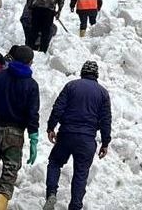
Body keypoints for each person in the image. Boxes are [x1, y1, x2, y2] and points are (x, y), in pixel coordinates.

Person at [44, 61, 112, 210]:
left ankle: (51, 194)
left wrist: (51, 127)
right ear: (96, 75)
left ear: (82, 72)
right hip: (87, 139)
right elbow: (106, 120)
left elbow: (58, 107)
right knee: (81, 173)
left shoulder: (71, 86)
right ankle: (75, 206)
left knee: (55, 162)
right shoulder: (103, 93)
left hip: (66, 135)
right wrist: (105, 142)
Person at [0, 46, 40, 209]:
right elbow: (33, 113)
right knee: (9, 174)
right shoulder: (31, 85)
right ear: (30, 62)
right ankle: (0, 206)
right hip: (15, 135)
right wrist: (33, 136)